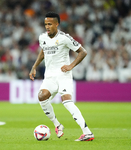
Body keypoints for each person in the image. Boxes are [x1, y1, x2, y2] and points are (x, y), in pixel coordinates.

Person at [29, 12, 94, 141]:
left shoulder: (65, 38)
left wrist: (71, 66)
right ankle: (57, 125)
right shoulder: (43, 37)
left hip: (63, 75)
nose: (47, 27)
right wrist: (34, 66)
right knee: (42, 96)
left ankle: (87, 133)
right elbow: (43, 51)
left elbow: (83, 52)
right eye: (46, 24)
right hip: (49, 76)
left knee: (66, 101)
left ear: (57, 24)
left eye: (50, 24)